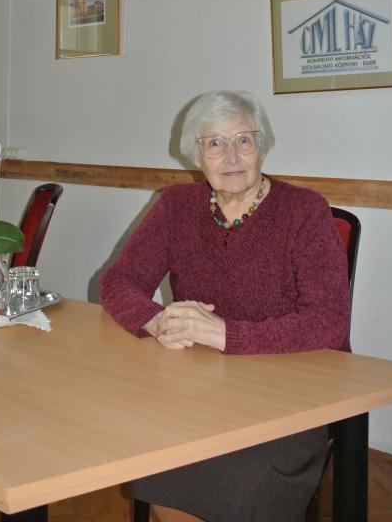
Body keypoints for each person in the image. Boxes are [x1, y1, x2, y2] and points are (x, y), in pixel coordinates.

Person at [99, 90, 350, 522]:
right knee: (159, 457)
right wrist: (157, 321)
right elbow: (119, 282)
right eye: (214, 143)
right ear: (197, 156)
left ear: (262, 146)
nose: (231, 156)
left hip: (294, 392)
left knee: (243, 480)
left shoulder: (305, 211)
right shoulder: (176, 206)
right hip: (201, 389)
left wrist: (225, 334)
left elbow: (329, 321)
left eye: (243, 140)